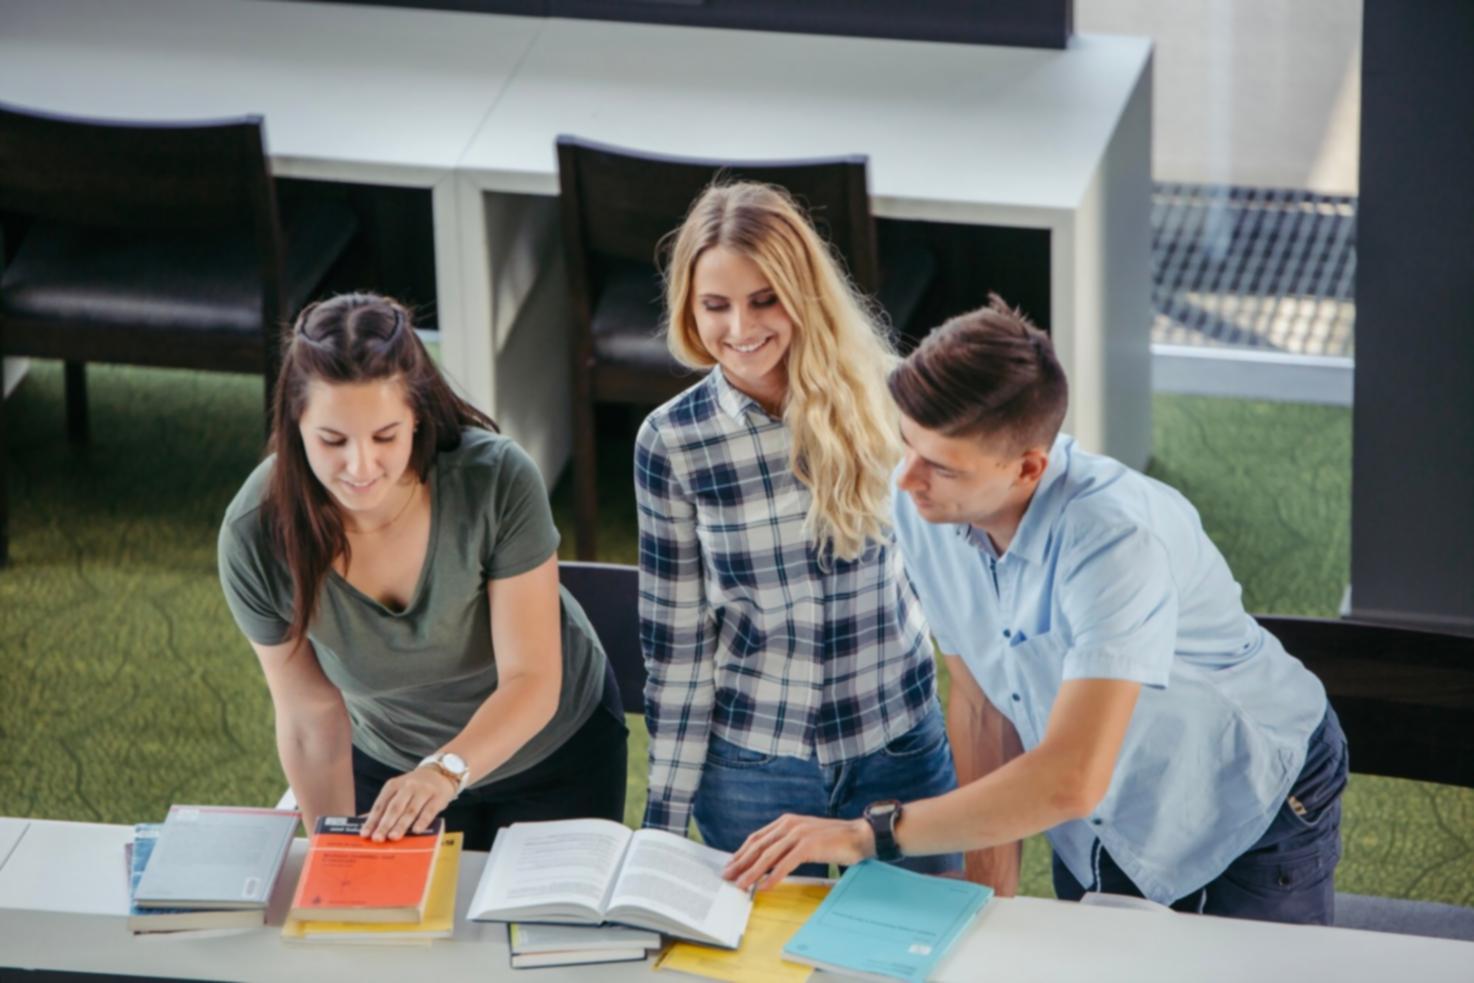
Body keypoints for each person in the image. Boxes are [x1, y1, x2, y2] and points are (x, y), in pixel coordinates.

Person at [724, 296, 1348, 925]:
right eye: (907, 444)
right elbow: (980, 700)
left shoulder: (1115, 541)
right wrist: (988, 907)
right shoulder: (925, 499)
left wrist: (867, 835)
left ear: (1028, 468)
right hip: (1089, 807)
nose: (907, 480)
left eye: (940, 465)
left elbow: (1070, 778)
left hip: (1247, 795)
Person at [218, 292, 627, 850]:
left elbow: (531, 680)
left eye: (385, 436)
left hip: (554, 748)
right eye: (332, 440)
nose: (360, 467)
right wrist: (333, 856)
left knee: (542, 934)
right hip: (391, 767)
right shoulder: (254, 534)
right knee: (388, 927)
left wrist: (445, 771)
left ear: (416, 416)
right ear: (295, 427)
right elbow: (311, 717)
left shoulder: (497, 479)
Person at [634, 181, 960, 877]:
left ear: (803, 294)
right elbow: (678, 647)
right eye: (714, 305)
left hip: (899, 743)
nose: (740, 328)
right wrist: (660, 825)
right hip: (754, 765)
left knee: (918, 954)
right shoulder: (670, 442)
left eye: (764, 300)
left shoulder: (893, 396)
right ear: (689, 308)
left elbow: (963, 561)